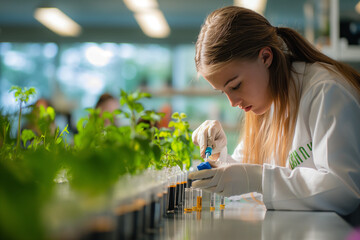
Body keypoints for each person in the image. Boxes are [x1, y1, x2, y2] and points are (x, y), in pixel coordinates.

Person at [189, 6, 360, 225]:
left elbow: (343, 191)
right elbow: (246, 178)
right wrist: (220, 157)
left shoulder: (325, 91)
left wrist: (258, 179)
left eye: (236, 85)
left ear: (266, 57)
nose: (232, 103)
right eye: (224, 92)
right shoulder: (266, 102)